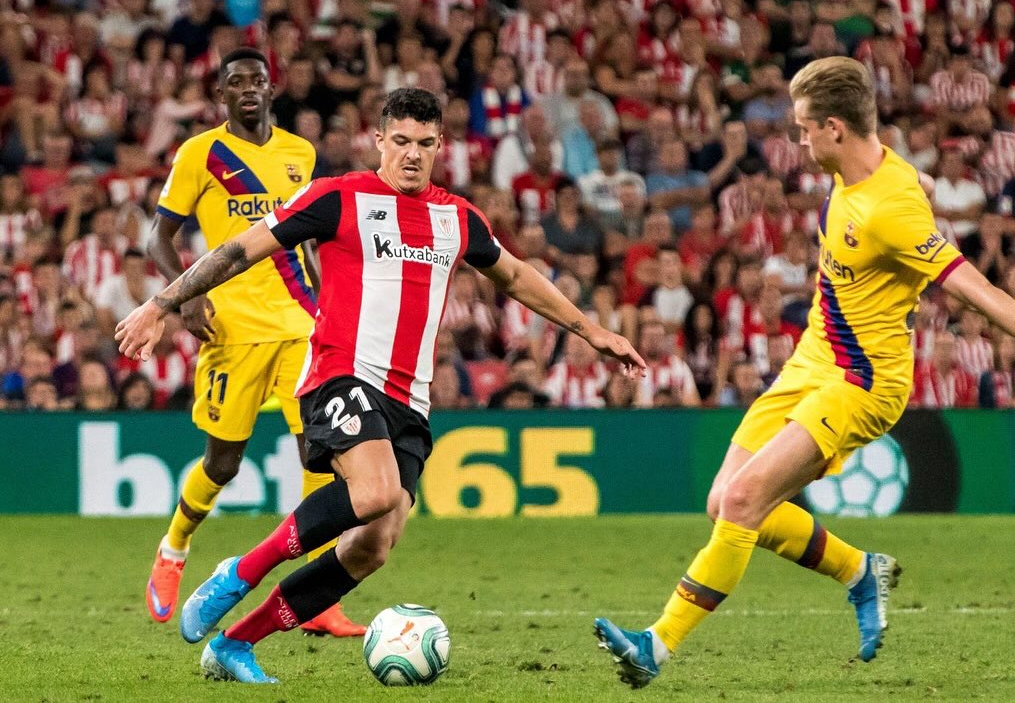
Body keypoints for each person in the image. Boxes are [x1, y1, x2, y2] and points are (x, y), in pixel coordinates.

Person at [116, 88, 645, 684]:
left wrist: (593, 330)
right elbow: (239, 249)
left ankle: (237, 643)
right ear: (379, 141)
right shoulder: (339, 198)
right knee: (373, 494)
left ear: (441, 145)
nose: (412, 155)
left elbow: (517, 276)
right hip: (341, 373)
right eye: (401, 142)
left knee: (373, 544)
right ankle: (238, 573)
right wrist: (162, 303)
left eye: (425, 144)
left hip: (408, 401)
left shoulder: (457, 217)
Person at [593, 57, 1015, 688]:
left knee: (742, 500)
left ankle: (658, 644)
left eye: (805, 129)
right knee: (722, 503)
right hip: (814, 358)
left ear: (837, 128)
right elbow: (913, 182)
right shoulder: (871, 165)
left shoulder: (889, 210)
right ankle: (858, 570)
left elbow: (976, 289)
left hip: (862, 381)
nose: (799, 142)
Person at [143, 48, 365, 638]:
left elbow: (311, 237)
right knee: (224, 462)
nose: (247, 89)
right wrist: (186, 296)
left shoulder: (301, 153)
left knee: (320, 455)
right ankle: (174, 548)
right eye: (235, 82)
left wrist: (330, 308)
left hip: (299, 326)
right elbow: (157, 236)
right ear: (220, 95)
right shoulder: (201, 154)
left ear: (273, 89)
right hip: (230, 331)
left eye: (257, 80)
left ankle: (317, 601)